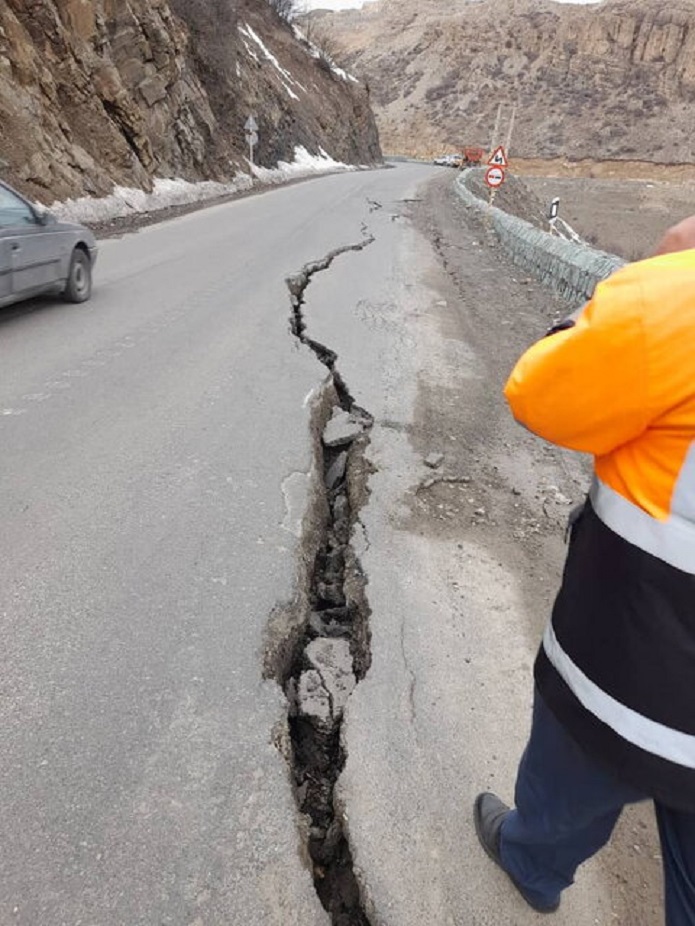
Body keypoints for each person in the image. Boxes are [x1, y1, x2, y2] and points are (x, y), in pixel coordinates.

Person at [474, 215, 695, 923]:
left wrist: (651, 274)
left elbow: (540, 393)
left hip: (641, 652)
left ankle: (530, 863)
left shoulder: (677, 296)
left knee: (572, 772)